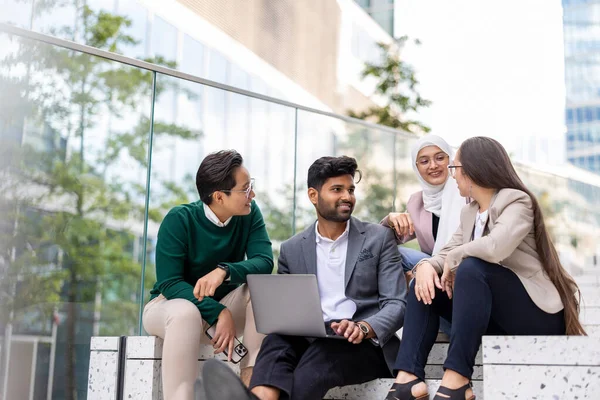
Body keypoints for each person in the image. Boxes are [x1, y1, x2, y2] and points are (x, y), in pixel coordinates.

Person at [385, 137, 585, 400]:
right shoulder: (470, 212)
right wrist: (424, 266)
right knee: (426, 282)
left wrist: (452, 259)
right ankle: (408, 378)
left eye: (455, 168)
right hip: (494, 317)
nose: (452, 176)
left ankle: (457, 378)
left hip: (537, 317)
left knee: (471, 268)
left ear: (473, 170)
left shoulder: (516, 201)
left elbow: (495, 247)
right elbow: (445, 253)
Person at [198, 155, 406, 400]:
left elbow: (397, 304)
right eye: (337, 189)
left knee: (319, 358)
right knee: (275, 343)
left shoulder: (379, 238)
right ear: (313, 195)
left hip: (364, 344)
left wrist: (363, 327)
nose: (347, 197)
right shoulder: (292, 249)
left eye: (350, 190)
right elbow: (287, 313)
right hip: (310, 338)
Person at [142, 150, 273, 400]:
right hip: (169, 308)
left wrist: (224, 271)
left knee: (260, 290)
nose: (252, 195)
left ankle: (253, 390)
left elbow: (265, 262)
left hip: (221, 310)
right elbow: (169, 283)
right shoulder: (179, 219)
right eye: (245, 189)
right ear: (219, 196)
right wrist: (218, 312)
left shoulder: (249, 213)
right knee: (185, 313)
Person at [381, 135, 466, 282]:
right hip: (432, 266)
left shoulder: (465, 191)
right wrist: (390, 220)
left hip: (466, 265)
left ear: (450, 160)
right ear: (417, 167)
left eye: (440, 158)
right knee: (388, 252)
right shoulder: (417, 202)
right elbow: (378, 240)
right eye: (424, 161)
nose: (433, 166)